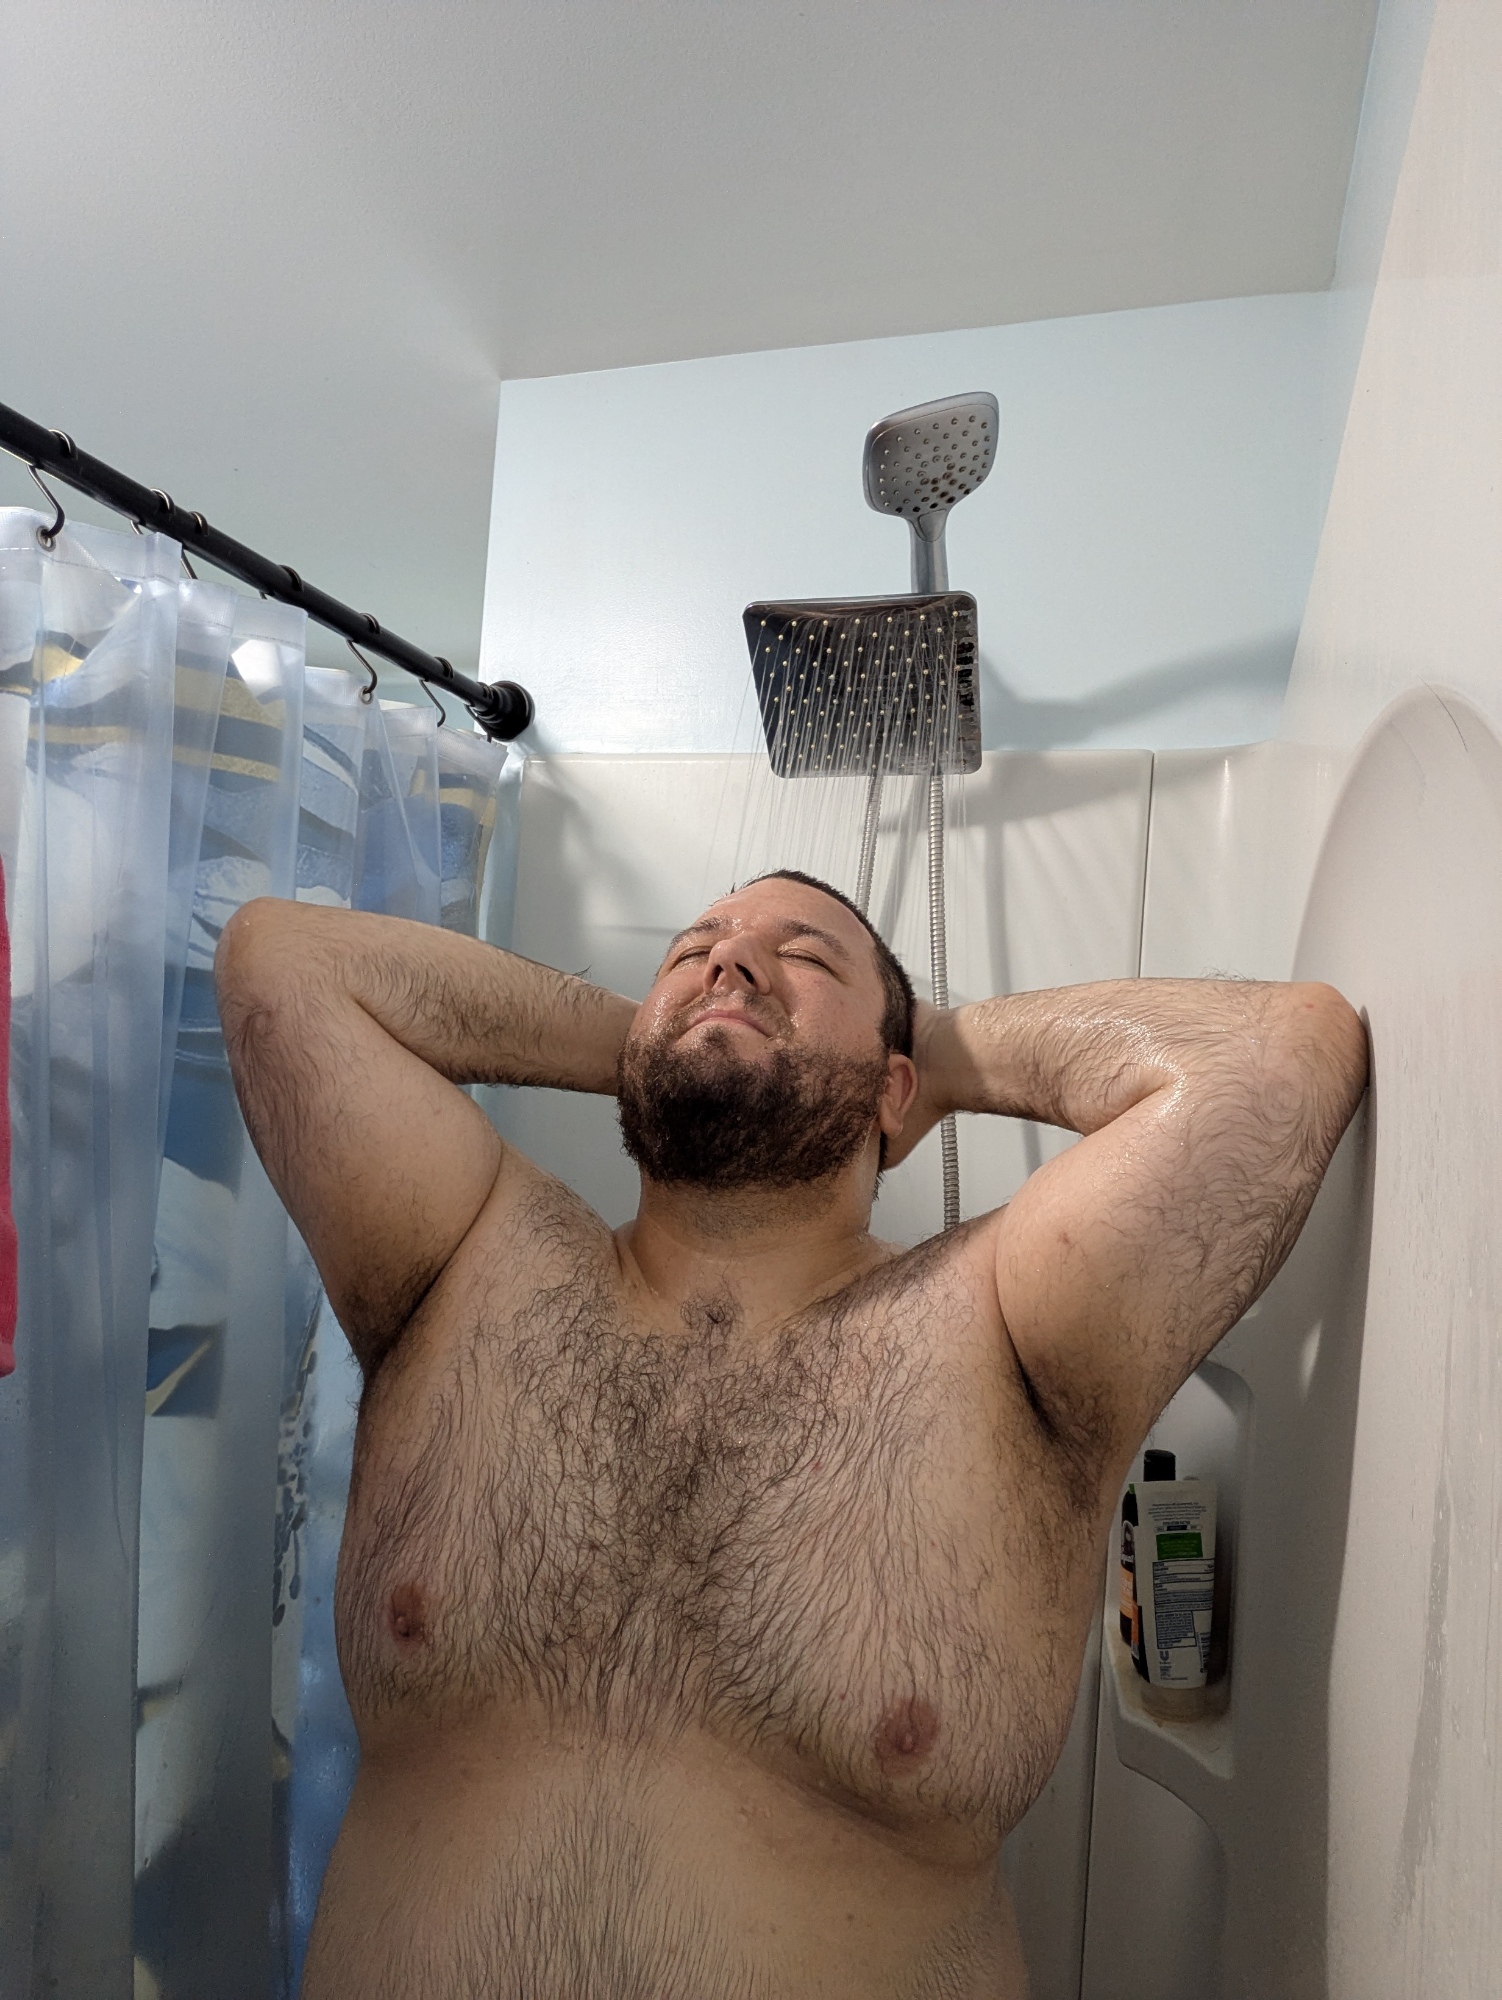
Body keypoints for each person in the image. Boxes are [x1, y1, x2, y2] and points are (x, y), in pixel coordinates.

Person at [216, 868, 1366, 2000]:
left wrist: (931, 1056)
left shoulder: (1003, 1323)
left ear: (894, 1088)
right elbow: (280, 960)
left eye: (804, 955)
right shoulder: (465, 1253)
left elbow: (1275, 1057)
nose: (728, 957)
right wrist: (666, 1034)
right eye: (691, 948)